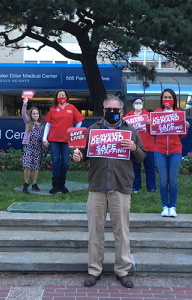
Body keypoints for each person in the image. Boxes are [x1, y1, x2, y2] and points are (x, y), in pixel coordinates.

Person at [73, 95, 146, 288]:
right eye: (108, 109)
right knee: (94, 231)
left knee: (122, 231)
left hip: (121, 187)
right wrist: (78, 156)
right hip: (97, 186)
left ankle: (122, 271)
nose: (111, 112)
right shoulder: (92, 130)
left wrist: (134, 148)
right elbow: (82, 154)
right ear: (103, 111)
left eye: (115, 109)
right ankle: (94, 271)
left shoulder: (130, 131)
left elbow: (141, 156)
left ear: (121, 112)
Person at [152, 88, 190, 218]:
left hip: (175, 150)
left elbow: (182, 135)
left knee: (172, 180)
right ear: (162, 99)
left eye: (169, 97)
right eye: (165, 97)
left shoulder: (179, 113)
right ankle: (164, 207)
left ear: (174, 99)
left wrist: (185, 126)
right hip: (160, 150)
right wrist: (148, 124)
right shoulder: (157, 113)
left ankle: (172, 207)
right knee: (163, 180)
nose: (167, 99)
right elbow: (152, 132)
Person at [43, 89, 84, 194]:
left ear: (66, 97)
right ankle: (55, 185)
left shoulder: (71, 108)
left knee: (65, 162)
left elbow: (79, 121)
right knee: (55, 161)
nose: (61, 97)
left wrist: (74, 132)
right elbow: (48, 124)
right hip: (54, 139)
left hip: (67, 140)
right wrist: (44, 138)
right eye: (59, 95)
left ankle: (62, 184)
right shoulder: (53, 109)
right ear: (56, 98)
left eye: (63, 95)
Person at [124, 97, 156, 193]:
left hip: (148, 146)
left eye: (140, 103)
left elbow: (154, 132)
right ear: (133, 105)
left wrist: (151, 124)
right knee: (135, 167)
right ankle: (135, 187)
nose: (138, 104)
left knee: (149, 167)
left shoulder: (149, 116)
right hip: (135, 146)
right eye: (136, 103)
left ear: (142, 104)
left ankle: (151, 187)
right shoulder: (127, 116)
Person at [21, 98, 45, 193]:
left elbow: (44, 136)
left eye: (37, 113)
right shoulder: (28, 122)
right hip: (29, 147)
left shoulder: (42, 124)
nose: (35, 115)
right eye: (33, 113)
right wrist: (25, 104)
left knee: (35, 167)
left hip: (38, 148)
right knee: (27, 165)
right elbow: (23, 114)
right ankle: (26, 183)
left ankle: (34, 183)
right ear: (30, 114)